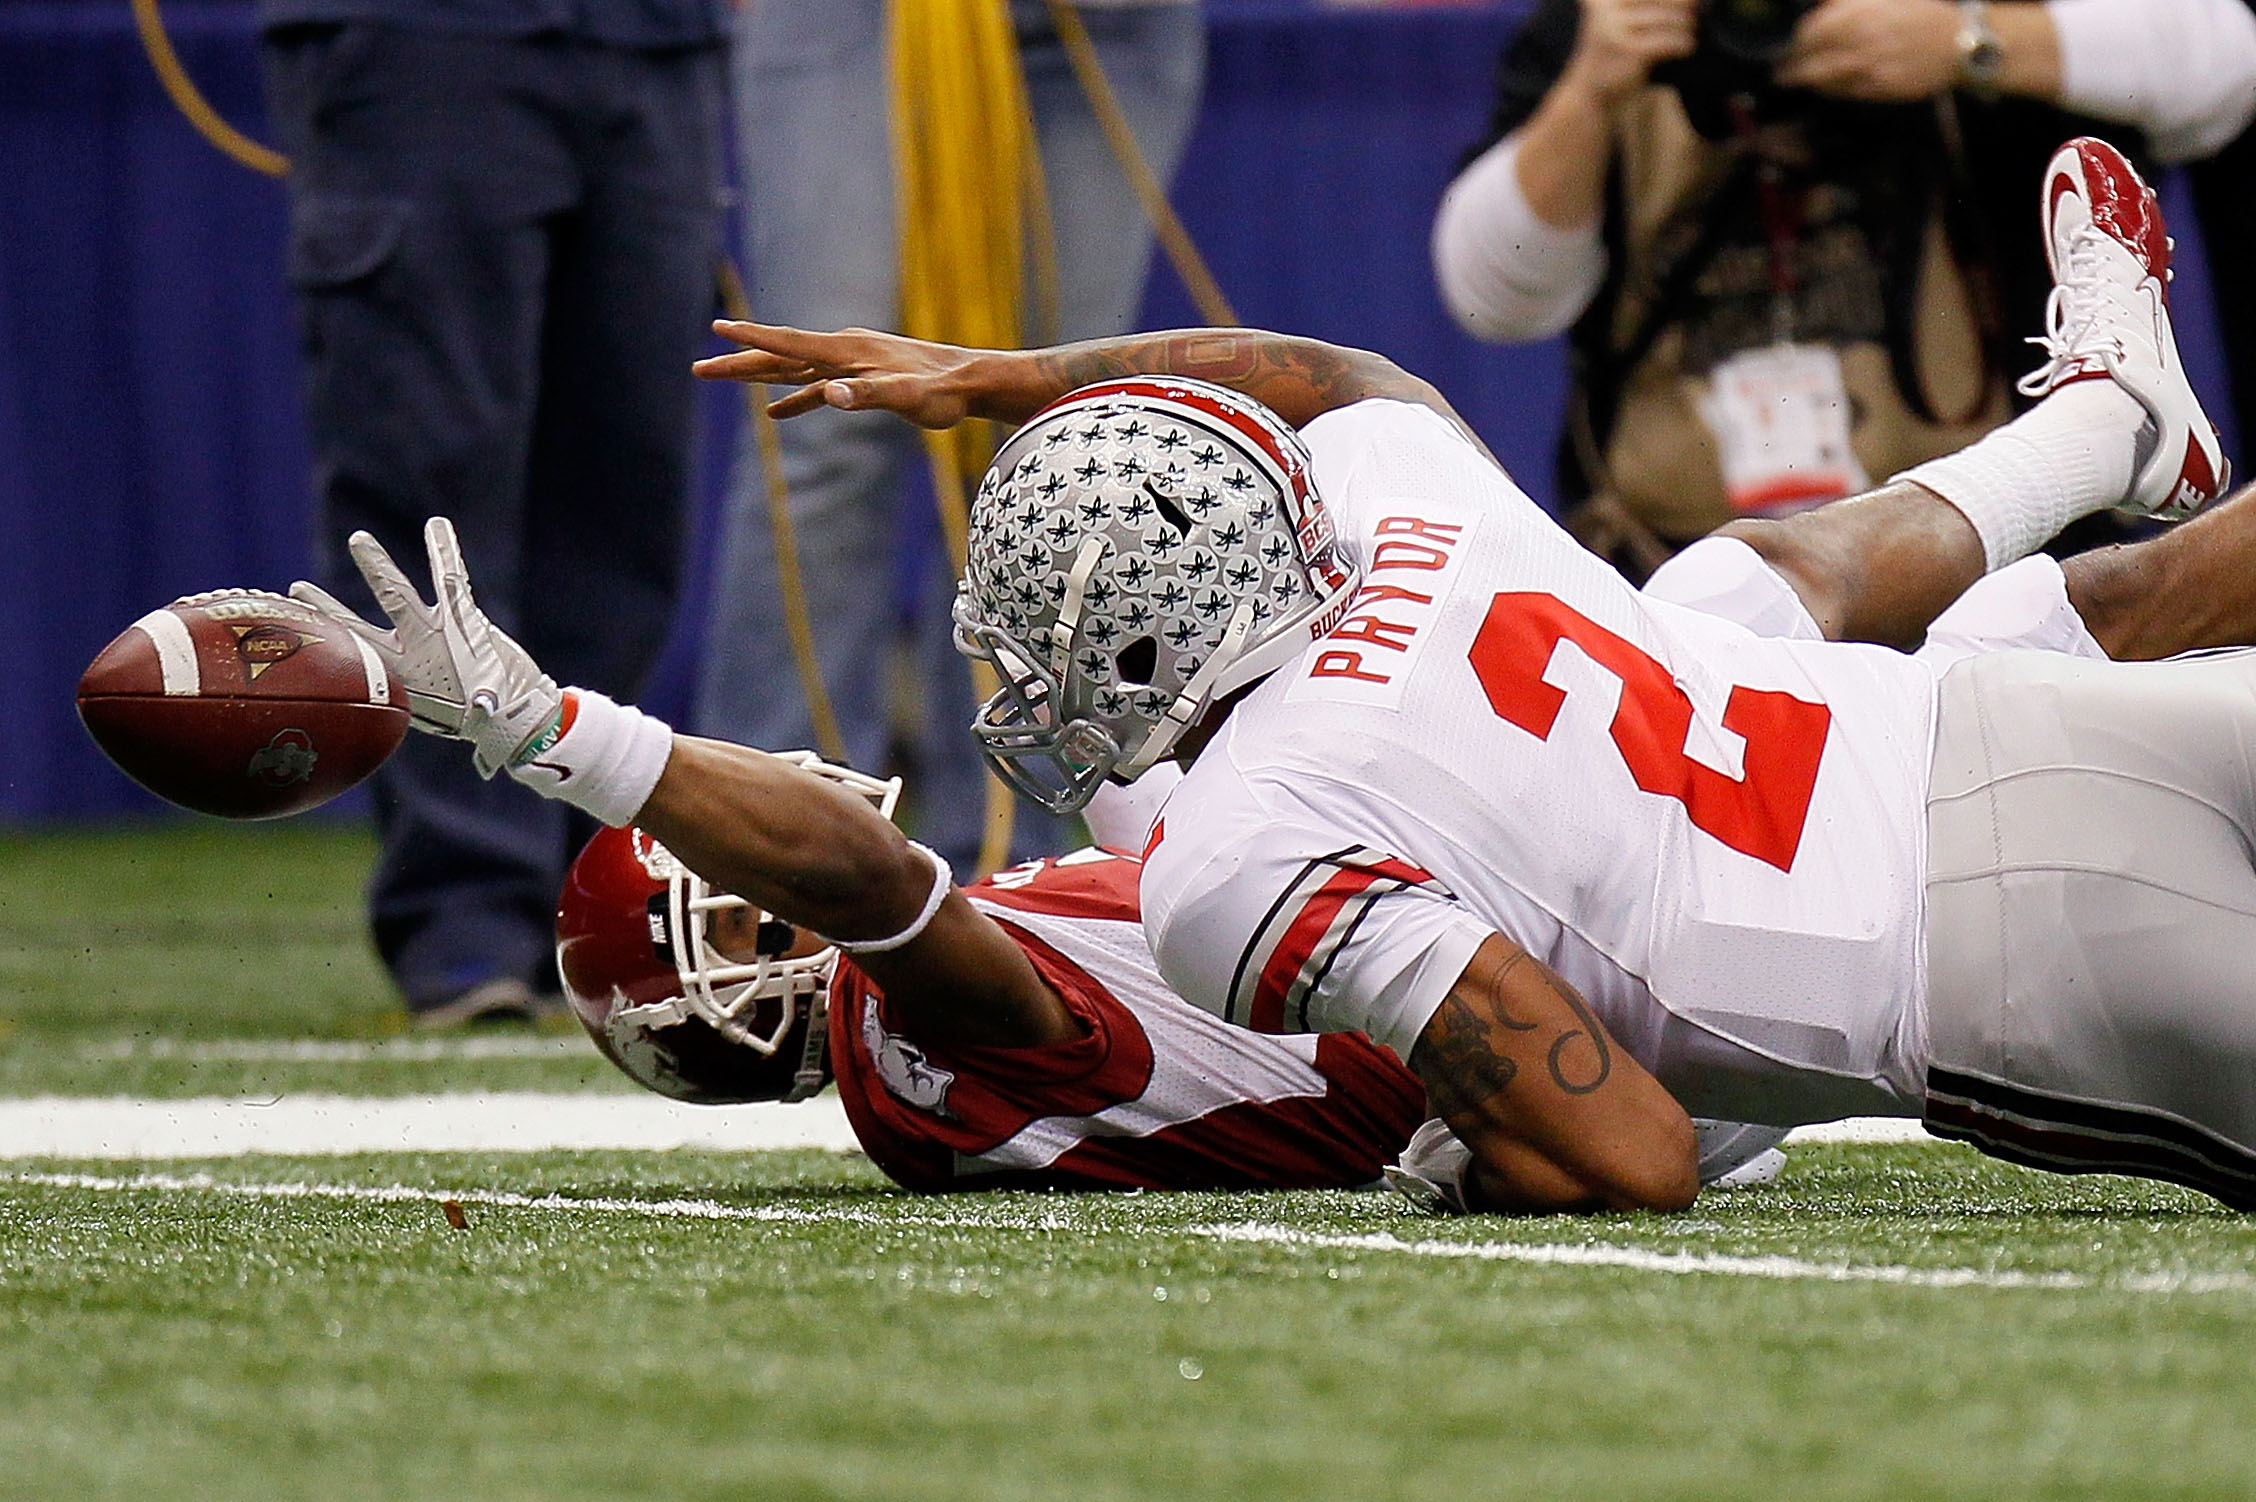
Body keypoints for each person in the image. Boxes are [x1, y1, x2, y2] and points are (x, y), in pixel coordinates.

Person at [695, 137, 2256, 1214]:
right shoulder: (1398, 493)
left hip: (1997, 971)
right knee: (1719, 598)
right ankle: (2109, 424)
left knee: (1725, 603)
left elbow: (1631, 1151)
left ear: (1139, 648)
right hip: (2009, 726)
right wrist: (1006, 376)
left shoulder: (1239, 847)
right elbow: (1314, 374)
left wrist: (1482, 1155)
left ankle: (2110, 423)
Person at [283, 518, 1787, 1193]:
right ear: (741, 975)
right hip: (1556, 1022)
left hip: (1500, 975)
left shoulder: (938, 1048)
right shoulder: (913, 1052)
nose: (778, 837)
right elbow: (869, 889)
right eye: (746, 903)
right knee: (1732, 608)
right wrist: (558, 732)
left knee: (1727, 610)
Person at [258, 0, 726, 1025]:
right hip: (420, 40)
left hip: (653, 40)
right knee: (425, 488)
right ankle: (464, 923)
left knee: (624, 497)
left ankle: (585, 899)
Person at [1430, 0, 2256, 575]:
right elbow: (1491, 301)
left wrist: (1967, 43)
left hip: (1992, 559)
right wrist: (1588, 94)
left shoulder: (1953, 22)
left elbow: (2227, 64)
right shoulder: (1597, 29)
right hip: (1683, 580)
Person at [697, 0, 1207, 875]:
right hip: (859, 21)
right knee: (830, 423)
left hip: (1113, 20)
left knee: (1053, 445)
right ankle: (777, 854)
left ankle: (1012, 863)